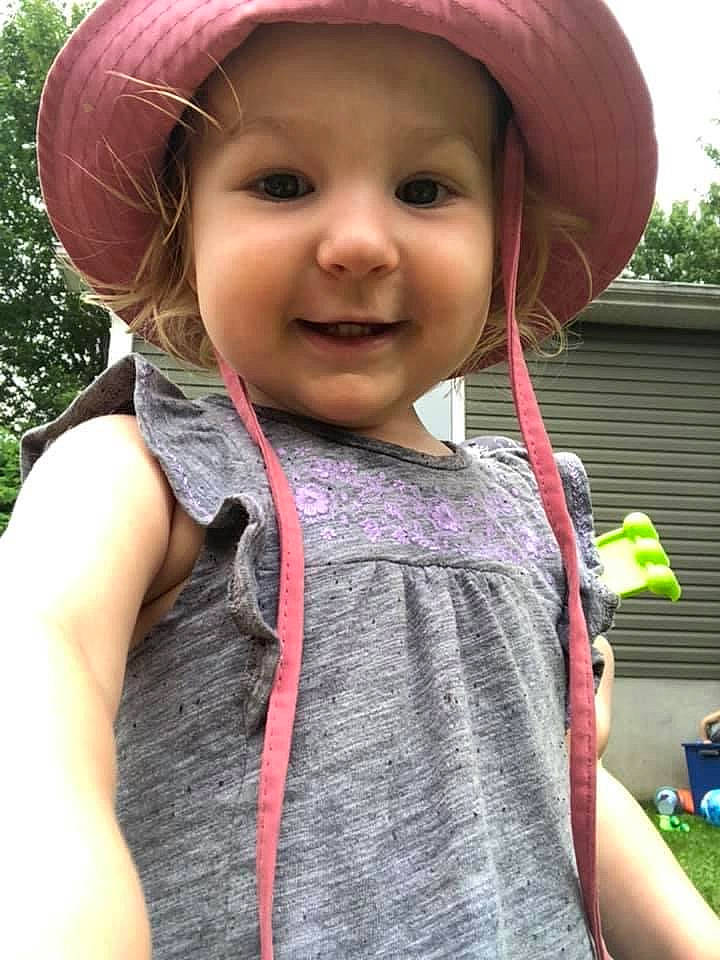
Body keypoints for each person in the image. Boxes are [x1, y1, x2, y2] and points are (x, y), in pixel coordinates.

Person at [3, 1, 720, 958]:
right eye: (283, 181)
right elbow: (39, 660)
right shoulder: (141, 467)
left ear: (505, 245)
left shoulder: (537, 513)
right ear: (184, 234)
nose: (360, 243)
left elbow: (560, 785)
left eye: (425, 189)